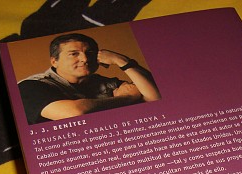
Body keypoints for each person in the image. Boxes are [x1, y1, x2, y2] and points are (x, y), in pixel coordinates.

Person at [19, 33, 160, 124]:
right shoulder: (30, 86)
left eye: (90, 53)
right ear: (54, 61)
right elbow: (75, 113)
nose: (85, 59)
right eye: (74, 54)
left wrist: (122, 61)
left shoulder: (105, 82)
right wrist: (127, 98)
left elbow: (155, 98)